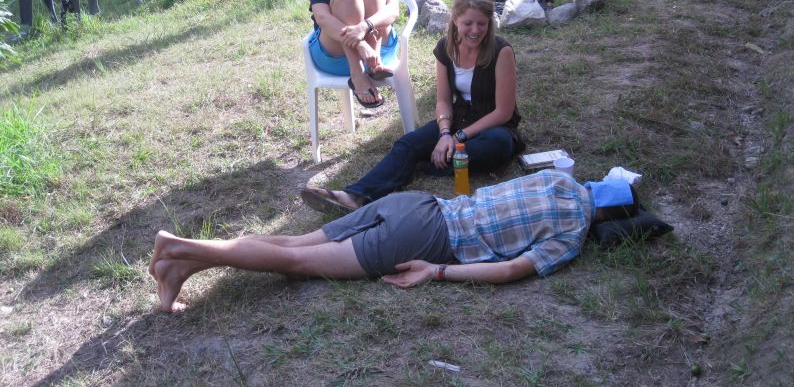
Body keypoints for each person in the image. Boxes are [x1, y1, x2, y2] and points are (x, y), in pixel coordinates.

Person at [149, 171, 639, 312]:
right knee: (295, 263)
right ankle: (180, 248)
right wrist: (436, 270)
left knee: (294, 244)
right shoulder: (572, 235)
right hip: (428, 237)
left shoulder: (558, 179)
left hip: (416, 204)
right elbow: (511, 270)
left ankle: (182, 265)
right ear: (607, 219)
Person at [301, 0, 525, 213]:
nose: (475, 30)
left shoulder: (501, 51)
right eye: (468, 23)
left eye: (481, 24)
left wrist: (456, 137)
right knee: (407, 144)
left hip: (493, 128)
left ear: (489, 23)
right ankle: (353, 196)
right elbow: (443, 101)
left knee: (496, 145)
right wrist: (444, 133)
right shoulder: (445, 48)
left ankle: (425, 164)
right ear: (456, 20)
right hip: (459, 119)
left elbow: (503, 112)